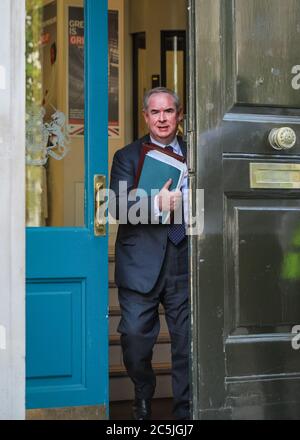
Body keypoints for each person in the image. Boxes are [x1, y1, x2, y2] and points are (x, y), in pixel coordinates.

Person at [109, 87, 189, 420]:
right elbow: (117, 205)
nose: (161, 118)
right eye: (154, 112)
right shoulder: (127, 156)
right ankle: (143, 394)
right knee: (135, 340)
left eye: (168, 111)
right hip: (140, 263)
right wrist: (157, 203)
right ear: (145, 116)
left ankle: (186, 412)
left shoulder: (195, 153)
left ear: (179, 115)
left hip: (183, 259)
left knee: (187, 344)